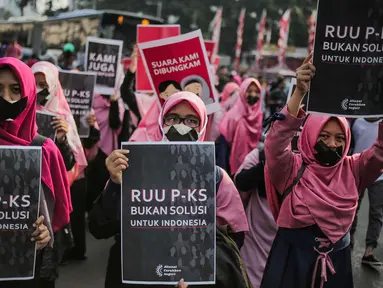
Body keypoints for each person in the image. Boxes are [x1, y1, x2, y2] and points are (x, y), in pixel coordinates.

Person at [89, 92, 249, 288]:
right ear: (161, 121)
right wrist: (115, 184)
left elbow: (234, 238)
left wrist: (197, 273)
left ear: (203, 126)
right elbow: (99, 228)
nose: (180, 126)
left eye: (191, 120)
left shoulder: (215, 178)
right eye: (172, 118)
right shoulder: (134, 169)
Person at [260, 54, 383, 288]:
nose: (333, 144)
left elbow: (380, 152)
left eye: (339, 138)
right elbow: (275, 143)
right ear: (309, 135)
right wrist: (299, 93)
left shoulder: (354, 169)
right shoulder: (291, 168)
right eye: (324, 136)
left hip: (337, 265)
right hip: (291, 263)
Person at [0, 57, 70, 287]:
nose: (6, 98)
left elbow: (58, 215)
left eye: (16, 89)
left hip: (27, 269)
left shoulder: (45, 150)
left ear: (28, 94)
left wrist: (46, 234)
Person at [234, 148, 277, 288]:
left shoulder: (311, 163)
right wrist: (266, 164)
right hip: (256, 240)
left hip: (289, 240)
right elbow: (239, 187)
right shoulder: (259, 156)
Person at [350, 117, 383, 268]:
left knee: (376, 213)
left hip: (380, 175)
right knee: (351, 207)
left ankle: (369, 251)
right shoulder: (357, 122)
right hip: (357, 171)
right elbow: (350, 145)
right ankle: (349, 238)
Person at [86, 92, 125, 211]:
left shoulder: (115, 102)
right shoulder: (88, 104)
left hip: (108, 153)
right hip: (89, 152)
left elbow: (115, 124)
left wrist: (113, 103)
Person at [217, 78, 263, 176]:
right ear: (242, 92)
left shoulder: (258, 115)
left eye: (256, 92)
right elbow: (223, 150)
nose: (253, 95)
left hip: (250, 167)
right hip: (231, 169)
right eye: (249, 91)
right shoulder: (232, 116)